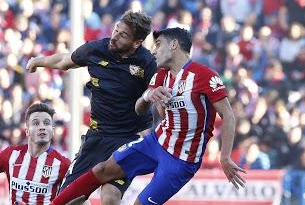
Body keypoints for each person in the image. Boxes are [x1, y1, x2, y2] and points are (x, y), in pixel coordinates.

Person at [51, 27, 246, 205]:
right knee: (102, 169)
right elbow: (139, 108)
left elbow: (228, 115)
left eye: (158, 45)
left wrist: (225, 157)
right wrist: (148, 95)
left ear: (174, 45)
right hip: (155, 142)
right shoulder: (161, 75)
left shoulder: (205, 75)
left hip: (181, 160)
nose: (153, 51)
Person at [26, 11, 157, 204]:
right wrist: (38, 61)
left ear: (137, 42)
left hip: (127, 139)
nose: (115, 36)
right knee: (67, 199)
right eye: (116, 30)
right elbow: (64, 61)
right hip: (97, 137)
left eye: (123, 35)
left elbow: (160, 88)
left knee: (110, 198)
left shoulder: (147, 62)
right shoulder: (97, 49)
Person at [0, 102, 71, 204]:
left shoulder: (63, 164)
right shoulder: (10, 154)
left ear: (52, 131)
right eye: (36, 123)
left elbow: (80, 198)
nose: (42, 127)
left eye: (47, 123)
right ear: (27, 131)